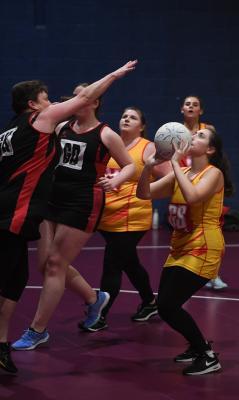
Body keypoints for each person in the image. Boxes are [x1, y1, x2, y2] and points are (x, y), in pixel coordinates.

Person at [0, 59, 137, 370]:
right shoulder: (58, 126)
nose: (70, 99)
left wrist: (116, 179)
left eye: (81, 95)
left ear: (93, 100)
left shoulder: (106, 134)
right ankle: (94, 299)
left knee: (55, 265)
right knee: (46, 263)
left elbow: (129, 165)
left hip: (82, 201)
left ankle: (37, 330)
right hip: (50, 199)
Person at [136, 125, 234, 375]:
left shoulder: (214, 174)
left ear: (210, 149)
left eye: (200, 136)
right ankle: (196, 345)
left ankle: (207, 355)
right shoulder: (184, 172)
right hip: (180, 247)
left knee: (168, 306)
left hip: (204, 247)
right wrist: (148, 167)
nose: (193, 136)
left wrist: (175, 164)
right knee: (168, 305)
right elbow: (143, 193)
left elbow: (192, 197)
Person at [78, 106, 171, 332]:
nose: (127, 119)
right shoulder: (112, 142)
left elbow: (169, 177)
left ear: (142, 126)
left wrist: (144, 190)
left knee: (112, 264)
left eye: (133, 117)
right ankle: (150, 302)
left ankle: (99, 315)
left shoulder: (148, 147)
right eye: (124, 116)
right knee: (129, 263)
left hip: (132, 216)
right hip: (106, 215)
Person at [180, 95, 228, 290]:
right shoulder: (175, 131)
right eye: (187, 104)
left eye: (195, 104)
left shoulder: (208, 131)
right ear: (182, 109)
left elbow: (217, 157)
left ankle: (212, 273)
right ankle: (182, 271)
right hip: (184, 178)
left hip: (202, 180)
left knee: (210, 226)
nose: (191, 107)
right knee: (184, 226)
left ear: (201, 111)